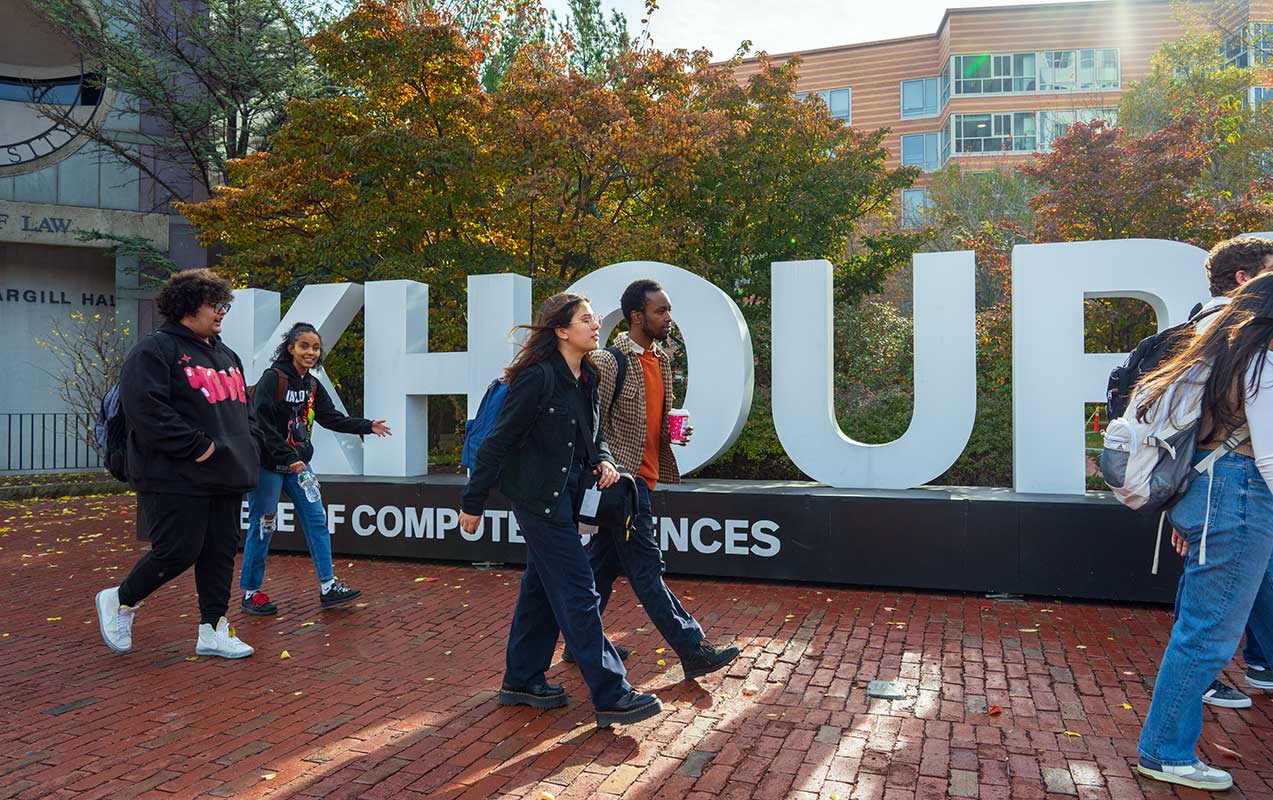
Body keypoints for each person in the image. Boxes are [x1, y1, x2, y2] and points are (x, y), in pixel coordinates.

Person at [459, 292, 664, 728]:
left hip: (568, 499)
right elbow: (498, 442)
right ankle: (612, 693)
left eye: (594, 319)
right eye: (586, 319)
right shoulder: (536, 378)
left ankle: (521, 679)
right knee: (578, 590)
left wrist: (605, 458)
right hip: (537, 502)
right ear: (561, 330)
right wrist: (473, 502)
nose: (595, 326)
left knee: (539, 589)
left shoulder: (587, 376)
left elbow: (594, 435)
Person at [1134, 271, 1273, 791]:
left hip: (1213, 493)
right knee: (1209, 635)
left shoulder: (1216, 353)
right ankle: (1164, 751)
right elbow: (1270, 454)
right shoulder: (1262, 359)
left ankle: (1164, 746)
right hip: (1238, 496)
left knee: (1201, 629)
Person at [568, 279, 739, 679]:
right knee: (646, 570)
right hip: (621, 487)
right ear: (636, 316)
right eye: (660, 311)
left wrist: (670, 433)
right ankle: (693, 648)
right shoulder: (611, 362)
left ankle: (579, 643)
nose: (668, 318)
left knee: (602, 570)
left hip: (645, 478)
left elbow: (652, 417)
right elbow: (590, 424)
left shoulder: (661, 359)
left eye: (669, 310)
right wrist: (602, 465)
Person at [95, 269, 259, 658]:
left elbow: (242, 408)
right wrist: (197, 446)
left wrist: (250, 444)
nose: (222, 312)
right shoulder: (155, 350)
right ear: (188, 305)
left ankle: (213, 629)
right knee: (177, 550)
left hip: (227, 471)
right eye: (214, 304)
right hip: (174, 473)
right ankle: (120, 599)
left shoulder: (226, 354)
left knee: (220, 551)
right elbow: (145, 409)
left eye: (225, 305)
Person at [1165, 236, 1273, 709]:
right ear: (1244, 281)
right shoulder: (1238, 339)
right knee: (1205, 630)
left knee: (1205, 618)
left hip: (1210, 481)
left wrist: (1181, 499)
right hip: (1233, 481)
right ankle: (1167, 747)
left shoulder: (1207, 330)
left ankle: (1261, 662)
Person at [239, 323, 392, 615]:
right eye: (304, 346)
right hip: (269, 466)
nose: (310, 352)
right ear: (291, 348)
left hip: (298, 468)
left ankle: (328, 586)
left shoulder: (311, 384)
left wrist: (367, 426)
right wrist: (288, 455)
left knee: (316, 520)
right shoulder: (273, 378)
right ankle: (251, 593)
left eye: (315, 347)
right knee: (263, 526)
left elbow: (331, 417)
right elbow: (262, 425)